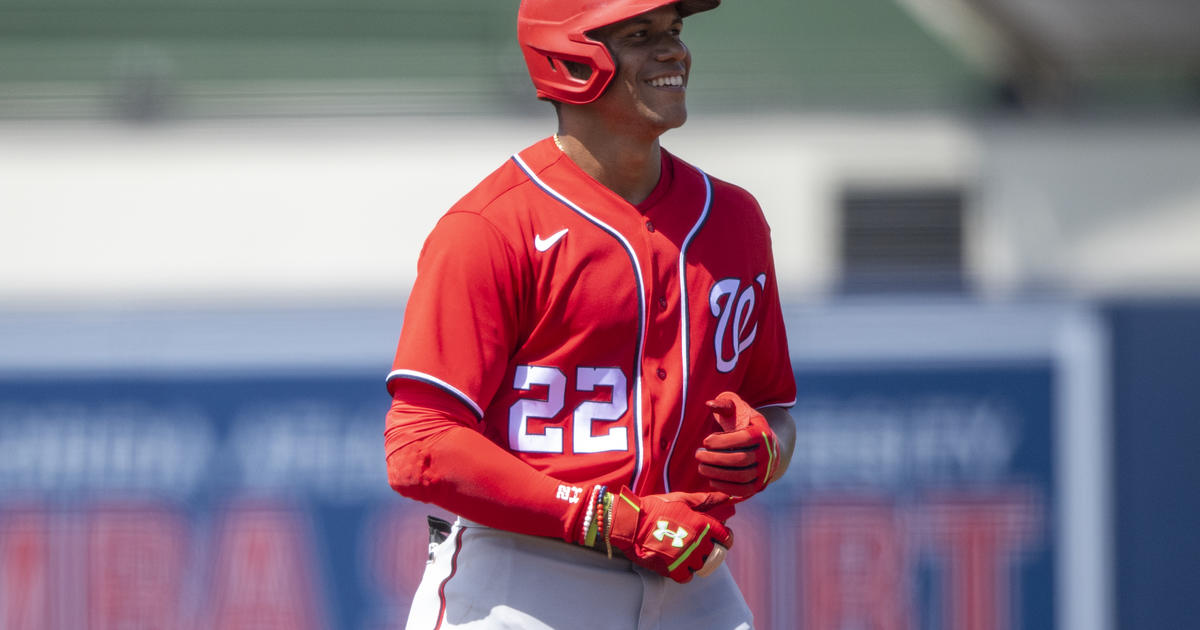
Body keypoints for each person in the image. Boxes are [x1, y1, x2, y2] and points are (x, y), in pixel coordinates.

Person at [383, 1, 797, 628]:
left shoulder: (735, 219)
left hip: (691, 570)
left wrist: (765, 450)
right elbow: (420, 446)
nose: (672, 52)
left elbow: (774, 409)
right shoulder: (492, 226)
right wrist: (611, 520)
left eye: (674, 31)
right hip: (526, 575)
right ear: (569, 58)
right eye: (640, 35)